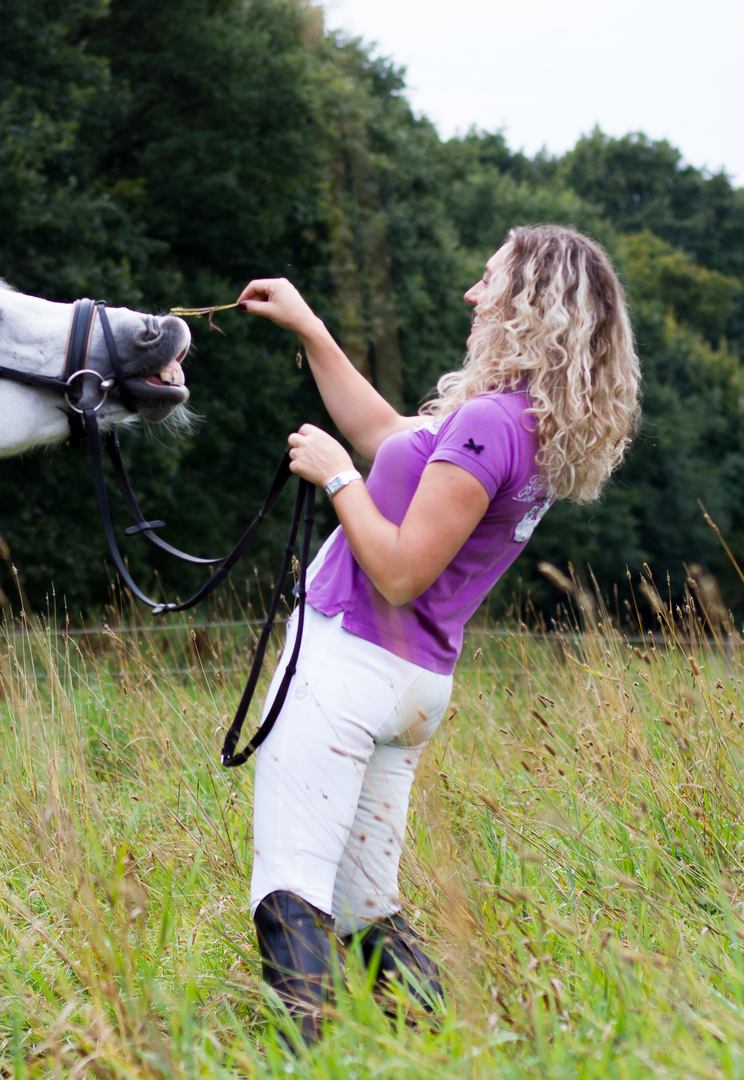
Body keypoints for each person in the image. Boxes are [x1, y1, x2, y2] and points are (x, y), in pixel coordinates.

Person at [235, 224, 641, 1036]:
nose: (472, 294)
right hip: (411, 685)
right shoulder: (523, 421)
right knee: (363, 907)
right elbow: (388, 436)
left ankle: (298, 1057)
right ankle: (438, 1051)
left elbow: (398, 569)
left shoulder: (490, 422)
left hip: (347, 668)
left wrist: (334, 477)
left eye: (487, 279)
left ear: (529, 302)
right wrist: (312, 330)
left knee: (290, 889)